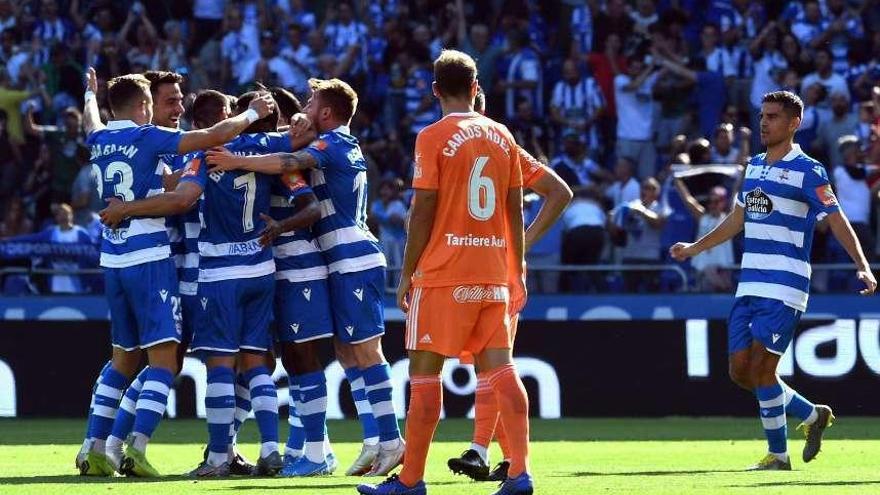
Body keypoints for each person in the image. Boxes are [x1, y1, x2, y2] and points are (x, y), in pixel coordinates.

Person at [78, 68, 275, 478]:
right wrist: (252, 113)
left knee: (127, 360)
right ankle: (134, 447)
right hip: (167, 266)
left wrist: (88, 96)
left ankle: (97, 446)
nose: (177, 107)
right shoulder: (157, 140)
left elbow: (91, 122)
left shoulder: (100, 139)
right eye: (168, 100)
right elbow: (197, 168)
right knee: (171, 362)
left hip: (114, 260)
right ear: (146, 105)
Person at [206, 77, 405, 477]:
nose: (306, 105)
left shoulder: (331, 145)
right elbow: (289, 148)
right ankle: (370, 440)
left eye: (313, 100)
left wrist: (237, 160)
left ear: (327, 112)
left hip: (346, 256)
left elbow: (289, 163)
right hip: (332, 260)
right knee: (347, 353)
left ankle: (386, 440)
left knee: (360, 352)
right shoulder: (324, 143)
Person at [357, 49, 532, 495]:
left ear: (435, 90)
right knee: (502, 372)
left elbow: (423, 211)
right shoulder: (503, 135)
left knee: (424, 377)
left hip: (443, 274)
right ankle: (519, 474)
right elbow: (514, 207)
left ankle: (412, 481)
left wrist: (406, 274)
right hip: (493, 270)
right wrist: (517, 267)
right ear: (476, 88)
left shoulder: (432, 136)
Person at [671, 91, 876, 471]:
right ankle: (812, 415)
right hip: (749, 284)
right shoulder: (754, 165)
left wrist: (861, 264)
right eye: (762, 116)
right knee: (740, 372)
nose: (764, 122)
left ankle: (778, 456)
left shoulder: (809, 170)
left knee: (763, 371)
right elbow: (737, 219)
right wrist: (695, 248)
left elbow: (835, 217)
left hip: (785, 284)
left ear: (794, 123)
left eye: (773, 117)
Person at [447, 88, 571, 483]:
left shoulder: (444, 145)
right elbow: (559, 191)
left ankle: (482, 452)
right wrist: (520, 246)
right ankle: (503, 458)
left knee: (492, 365)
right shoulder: (505, 146)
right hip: (495, 266)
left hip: (464, 269)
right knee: (490, 365)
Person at [675, 182, 735, 292]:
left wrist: (742, 173)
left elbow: (736, 192)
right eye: (710, 201)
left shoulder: (728, 219)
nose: (712, 204)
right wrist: (677, 180)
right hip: (702, 271)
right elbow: (687, 199)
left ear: (723, 202)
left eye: (716, 201)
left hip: (722, 271)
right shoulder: (703, 218)